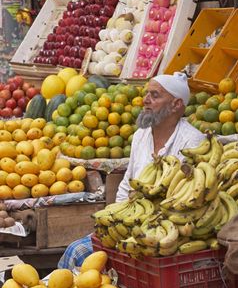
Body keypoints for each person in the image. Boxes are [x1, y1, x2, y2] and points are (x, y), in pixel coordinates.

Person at [58, 72, 205, 269]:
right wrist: (117, 221)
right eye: (147, 94)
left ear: (176, 104)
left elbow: (188, 198)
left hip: (167, 230)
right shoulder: (140, 136)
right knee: (76, 251)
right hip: (131, 222)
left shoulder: (193, 141)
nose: (145, 100)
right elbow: (127, 184)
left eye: (155, 95)